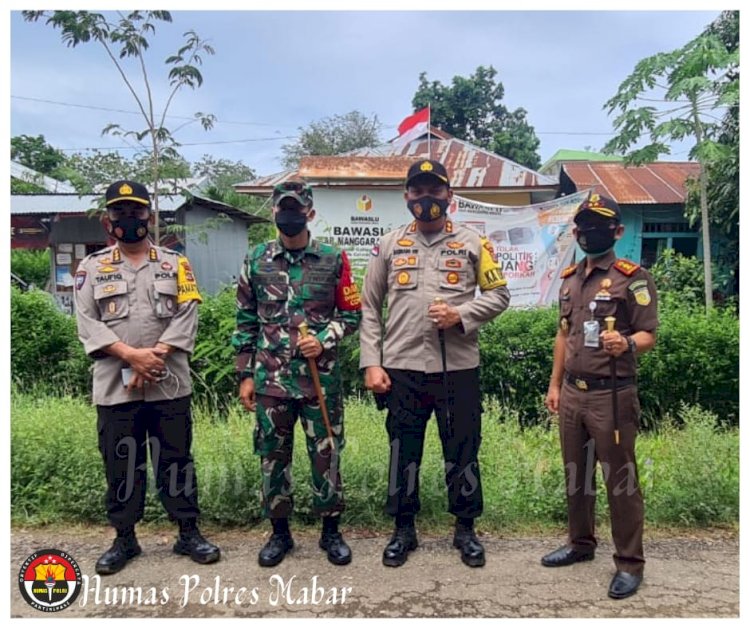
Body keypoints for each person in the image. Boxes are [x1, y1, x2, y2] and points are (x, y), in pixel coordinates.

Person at [359, 159, 511, 568]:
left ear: (449, 195)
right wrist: (372, 363)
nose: (427, 197)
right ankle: (403, 529)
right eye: (418, 190)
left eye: (435, 190)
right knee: (402, 451)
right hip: (402, 368)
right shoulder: (389, 245)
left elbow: (499, 295)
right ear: (407, 196)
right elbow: (370, 308)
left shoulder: (473, 243)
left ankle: (465, 529)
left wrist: (462, 315)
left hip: (457, 368)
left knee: (462, 450)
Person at [74, 180, 220, 575]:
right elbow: (86, 322)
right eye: (119, 212)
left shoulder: (176, 264)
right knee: (121, 463)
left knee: (176, 459)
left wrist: (155, 356)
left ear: (149, 216)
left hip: (168, 383)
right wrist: (130, 356)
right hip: (115, 389)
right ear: (108, 220)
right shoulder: (92, 268)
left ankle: (188, 532)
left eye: (136, 211)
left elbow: (188, 312)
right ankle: (125, 539)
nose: (129, 219)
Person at [233, 179, 362, 567]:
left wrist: (324, 339)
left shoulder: (333, 259)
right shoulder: (256, 260)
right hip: (270, 380)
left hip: (319, 381)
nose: (289, 216)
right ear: (273, 212)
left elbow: (352, 314)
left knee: (327, 456)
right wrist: (245, 375)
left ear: (310, 213)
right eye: (282, 209)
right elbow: (245, 320)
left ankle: (331, 532)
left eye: (297, 209)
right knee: (273, 458)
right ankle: (280, 534)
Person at [542, 192, 658, 600]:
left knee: (621, 480)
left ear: (617, 231)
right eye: (584, 226)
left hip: (612, 397)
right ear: (575, 232)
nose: (590, 232)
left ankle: (629, 563)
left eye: (599, 225)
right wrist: (555, 385)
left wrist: (625, 343)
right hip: (574, 392)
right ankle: (580, 544)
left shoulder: (634, 277)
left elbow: (649, 335)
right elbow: (563, 334)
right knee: (577, 476)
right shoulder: (571, 278)